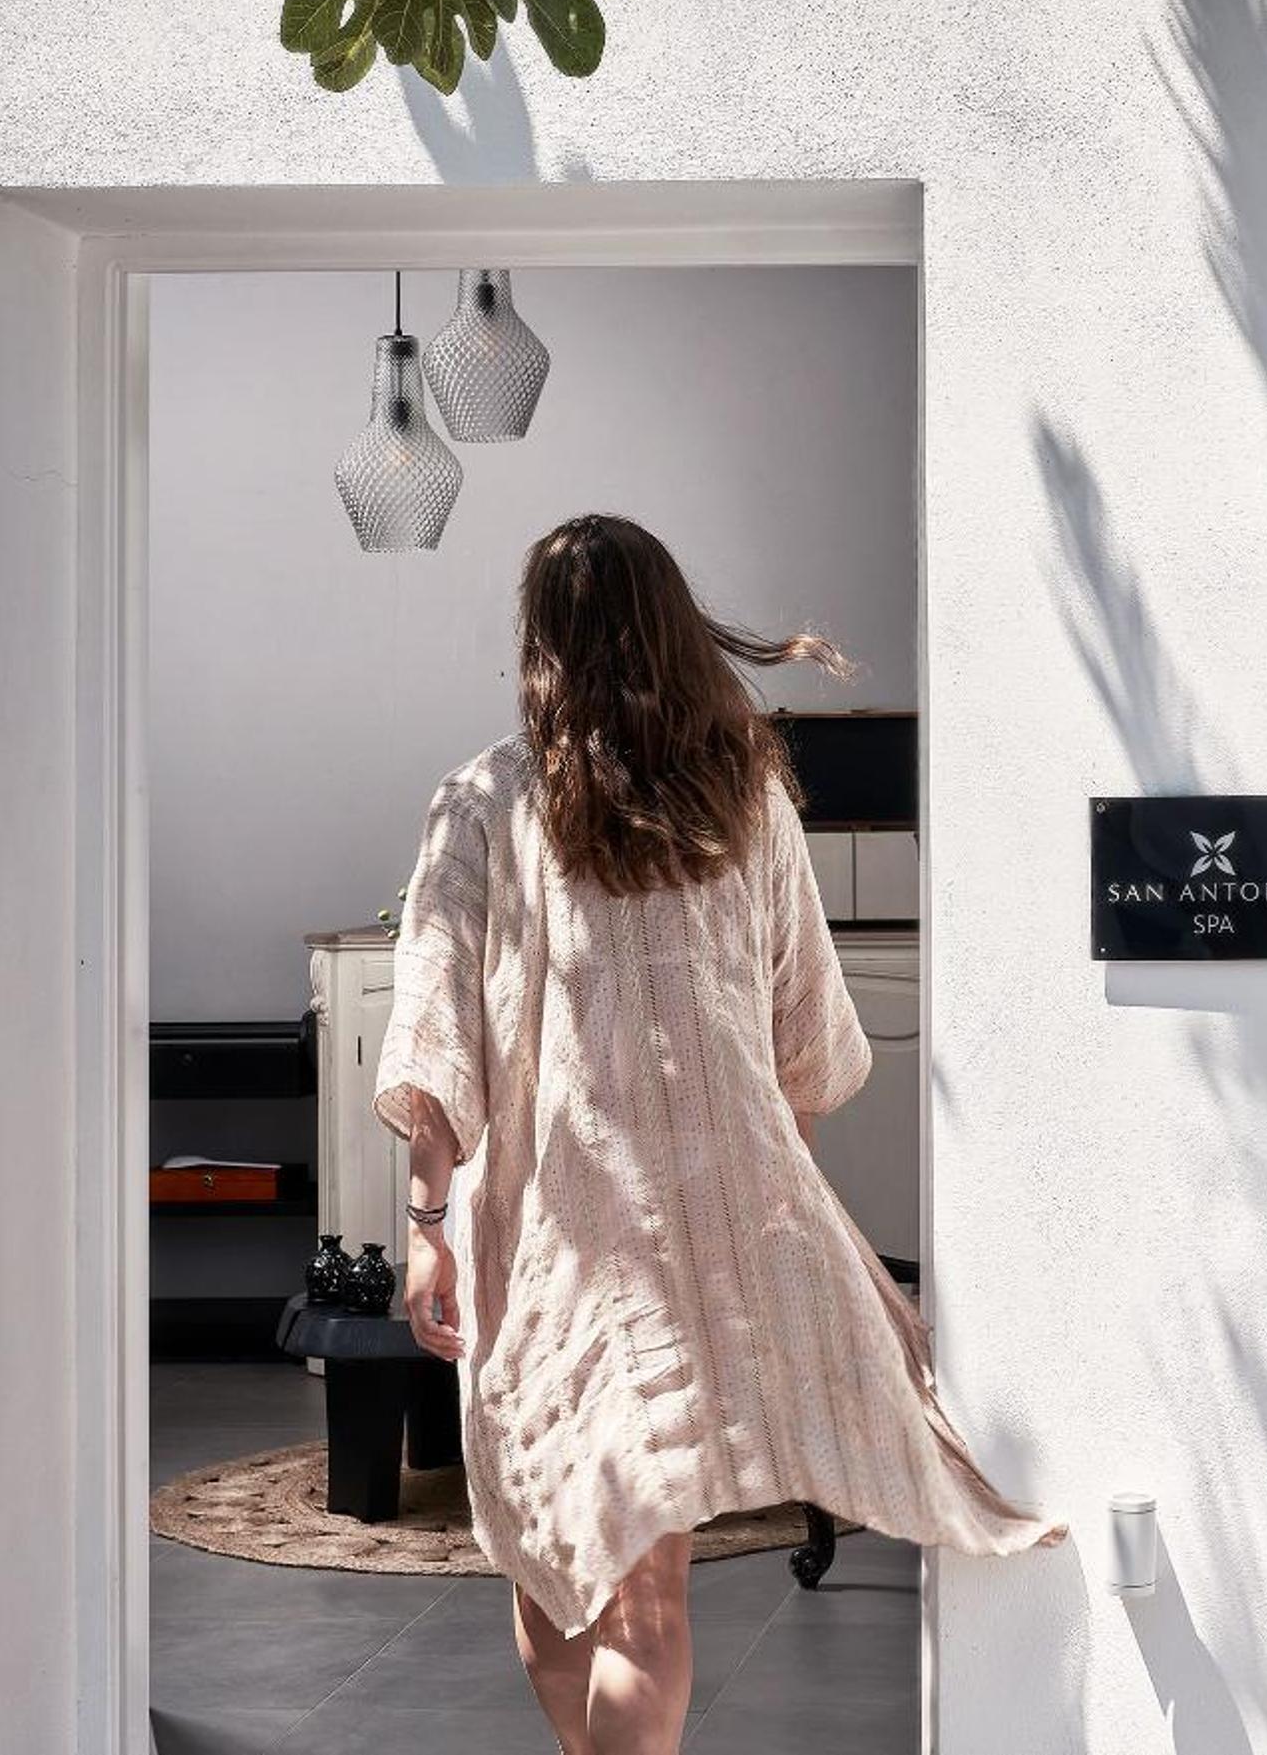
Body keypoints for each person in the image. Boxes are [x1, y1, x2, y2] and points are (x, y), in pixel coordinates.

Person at [373, 513, 1061, 1755]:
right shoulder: (668, 797)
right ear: (671, 628)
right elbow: (802, 1042)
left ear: (544, 640)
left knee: (609, 1568)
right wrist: (770, 1218)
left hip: (599, 1244)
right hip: (616, 1238)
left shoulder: (548, 799)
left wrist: (427, 1224)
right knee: (565, 1556)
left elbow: (437, 1033)